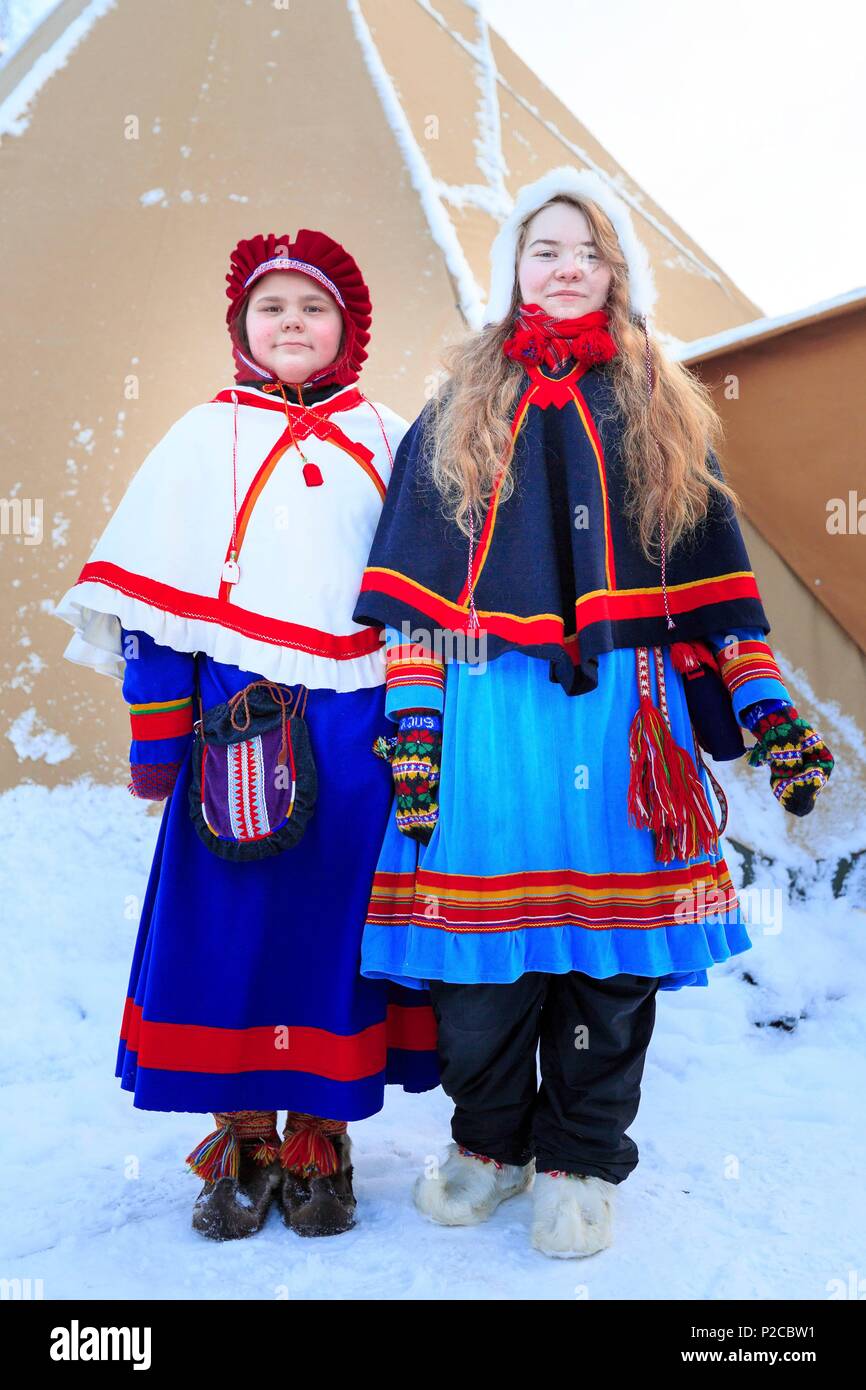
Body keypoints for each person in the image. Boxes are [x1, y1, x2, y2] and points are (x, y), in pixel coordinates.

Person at [351, 168, 835, 1259]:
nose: (565, 269)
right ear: (513, 269)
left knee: (608, 967)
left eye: (587, 252)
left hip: (626, 716)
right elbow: (418, 608)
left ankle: (580, 1157)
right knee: (477, 967)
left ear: (615, 271)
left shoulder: (665, 407)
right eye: (543, 251)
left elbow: (715, 590)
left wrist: (767, 710)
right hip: (486, 717)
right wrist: (416, 730)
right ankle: (489, 1145)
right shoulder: (454, 407)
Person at [55, 229, 440, 1242]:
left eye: (311, 308)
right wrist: (157, 742)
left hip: (357, 735)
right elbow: (154, 606)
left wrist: (418, 731)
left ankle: (319, 1138)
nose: (290, 325)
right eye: (270, 309)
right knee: (232, 936)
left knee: (331, 938)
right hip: (236, 734)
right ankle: (244, 1139)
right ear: (241, 327)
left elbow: (429, 599)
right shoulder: (201, 439)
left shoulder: (391, 437)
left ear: (347, 328)